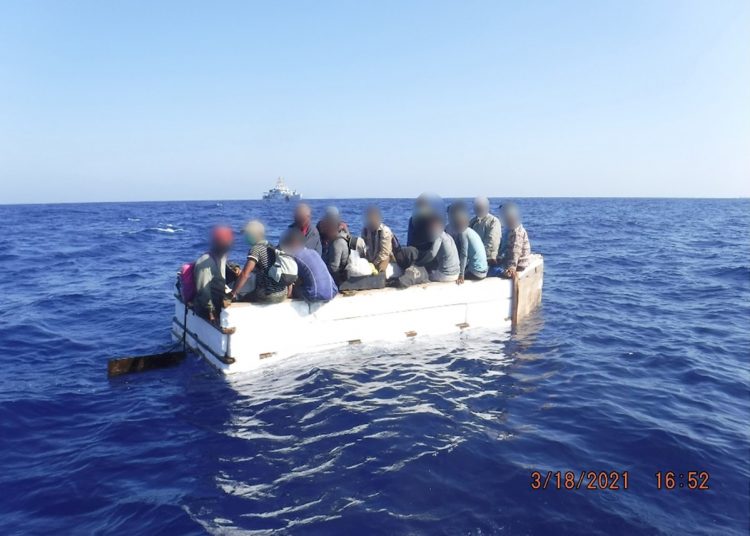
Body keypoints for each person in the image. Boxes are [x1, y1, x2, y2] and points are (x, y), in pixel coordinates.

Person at [232, 220, 289, 304]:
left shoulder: (256, 249)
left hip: (269, 295)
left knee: (241, 296)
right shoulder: (271, 246)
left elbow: (245, 274)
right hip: (282, 293)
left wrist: (233, 293)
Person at [281, 230, 338, 302]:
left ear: (292, 243)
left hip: (314, 295)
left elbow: (290, 277)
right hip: (332, 292)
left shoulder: (293, 255)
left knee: (290, 287)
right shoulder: (314, 252)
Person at [194, 226, 236, 323]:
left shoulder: (222, 256)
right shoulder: (205, 262)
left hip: (219, 299)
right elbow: (203, 292)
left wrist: (234, 267)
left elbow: (222, 268)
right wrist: (211, 312)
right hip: (206, 307)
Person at [449, 204, 488, 284]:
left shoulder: (463, 233)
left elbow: (464, 254)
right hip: (484, 270)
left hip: (476, 272)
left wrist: (461, 275)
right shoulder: (469, 230)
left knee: (451, 277)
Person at [496, 202, 531, 278]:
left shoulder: (516, 232)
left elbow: (515, 251)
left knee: (489, 271)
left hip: (519, 264)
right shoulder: (508, 229)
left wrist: (511, 268)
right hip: (507, 259)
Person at [425, 214, 460, 282]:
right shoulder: (448, 236)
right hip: (456, 274)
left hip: (446, 275)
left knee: (424, 274)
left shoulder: (438, 236)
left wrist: (420, 262)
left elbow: (432, 254)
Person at [361, 205, 396, 273]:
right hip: (371, 258)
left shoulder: (385, 231)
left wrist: (374, 263)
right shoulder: (365, 231)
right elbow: (363, 248)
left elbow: (385, 253)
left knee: (381, 268)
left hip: (384, 258)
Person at [320, 215, 350, 285]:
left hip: (338, 279)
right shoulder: (333, 240)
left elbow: (334, 268)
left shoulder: (337, 243)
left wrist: (320, 272)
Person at [470, 196, 501, 265]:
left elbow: (492, 242)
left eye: (481, 207)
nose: (479, 209)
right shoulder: (472, 222)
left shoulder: (493, 221)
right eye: (477, 207)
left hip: (489, 259)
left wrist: (479, 255)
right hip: (473, 258)